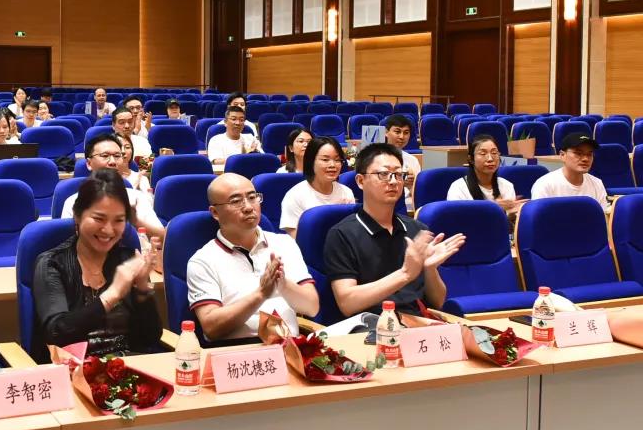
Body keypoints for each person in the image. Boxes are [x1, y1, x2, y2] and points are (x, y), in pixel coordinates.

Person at [32, 169, 162, 362]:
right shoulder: (52, 263)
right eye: (99, 219)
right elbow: (56, 333)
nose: (108, 230)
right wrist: (113, 294)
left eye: (119, 220)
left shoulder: (128, 259)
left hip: (128, 368)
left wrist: (142, 290)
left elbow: (150, 338)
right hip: (72, 371)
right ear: (77, 216)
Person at [322, 143, 465, 317]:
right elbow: (347, 303)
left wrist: (429, 269)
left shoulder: (417, 230)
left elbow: (438, 301)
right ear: (360, 181)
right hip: (370, 325)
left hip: (416, 323)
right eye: (383, 174)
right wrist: (405, 273)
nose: (393, 181)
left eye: (398, 174)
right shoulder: (342, 234)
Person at [187, 173, 319, 341]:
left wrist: (283, 285)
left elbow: (312, 308)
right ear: (215, 212)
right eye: (236, 201)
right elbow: (211, 327)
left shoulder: (284, 244)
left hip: (290, 347)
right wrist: (261, 294)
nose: (249, 207)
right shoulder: (202, 261)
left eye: (252, 197)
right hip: (237, 352)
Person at [60, 133, 165, 241]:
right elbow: (68, 245)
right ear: (89, 163)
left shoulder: (137, 198)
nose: (112, 162)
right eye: (105, 156)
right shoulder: (73, 202)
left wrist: (135, 221)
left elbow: (163, 239)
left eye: (117, 156)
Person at [279, 136, 355, 234]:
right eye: (325, 160)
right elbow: (297, 239)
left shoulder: (346, 192)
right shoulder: (294, 196)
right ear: (311, 161)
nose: (332, 165)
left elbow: (351, 232)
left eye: (337, 160)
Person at [530, 132, 609, 211]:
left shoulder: (597, 183)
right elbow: (540, 217)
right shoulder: (545, 185)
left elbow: (604, 215)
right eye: (578, 153)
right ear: (562, 155)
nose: (585, 159)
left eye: (589, 154)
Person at [446, 134, 521, 212]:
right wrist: (494, 206)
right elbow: (458, 217)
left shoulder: (507, 186)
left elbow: (508, 218)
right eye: (483, 154)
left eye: (494, 153)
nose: (490, 159)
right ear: (471, 159)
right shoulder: (458, 188)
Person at [384, 114, 421, 209]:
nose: (401, 136)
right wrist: (401, 183)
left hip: (408, 206)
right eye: (397, 132)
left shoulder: (412, 160)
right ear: (386, 132)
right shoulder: (375, 158)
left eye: (406, 133)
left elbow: (418, 193)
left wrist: (411, 185)